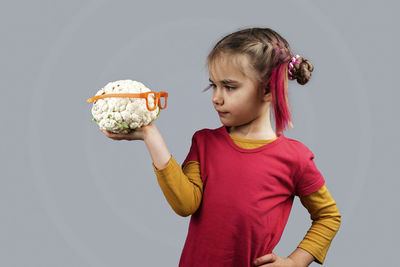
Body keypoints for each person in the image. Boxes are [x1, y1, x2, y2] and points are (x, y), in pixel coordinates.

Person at [100, 27, 341, 267]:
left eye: (229, 87)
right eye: (213, 85)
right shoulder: (204, 143)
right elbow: (185, 204)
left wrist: (295, 262)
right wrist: (151, 135)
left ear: (267, 89)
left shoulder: (295, 158)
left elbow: (328, 216)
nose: (216, 97)